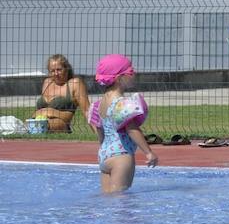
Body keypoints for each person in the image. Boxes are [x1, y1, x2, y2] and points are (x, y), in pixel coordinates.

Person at [87, 53, 157, 193]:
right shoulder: (122, 104)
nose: (134, 73)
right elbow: (132, 129)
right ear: (119, 78)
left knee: (107, 200)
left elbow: (100, 133)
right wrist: (148, 152)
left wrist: (104, 151)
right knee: (122, 202)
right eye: (130, 71)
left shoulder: (98, 105)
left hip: (104, 155)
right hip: (121, 156)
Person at [34, 54, 89, 134]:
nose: (56, 73)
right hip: (37, 122)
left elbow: (87, 111)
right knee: (21, 127)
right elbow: (38, 110)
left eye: (59, 69)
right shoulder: (47, 82)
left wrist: (99, 133)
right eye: (52, 71)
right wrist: (44, 112)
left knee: (41, 127)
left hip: (58, 126)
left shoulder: (74, 83)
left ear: (66, 69)